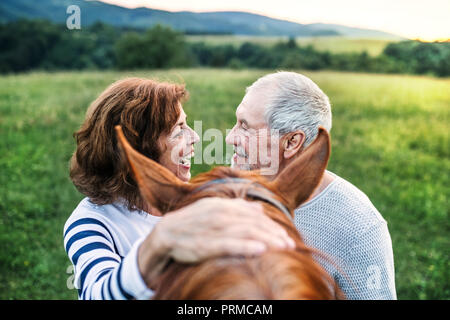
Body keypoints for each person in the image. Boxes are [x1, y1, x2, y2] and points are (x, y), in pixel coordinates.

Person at [64, 78, 295, 300]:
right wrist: (158, 244)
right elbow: (97, 292)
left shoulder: (197, 201)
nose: (195, 137)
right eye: (179, 131)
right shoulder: (91, 221)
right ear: (140, 150)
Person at [225, 71, 397, 299]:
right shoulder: (233, 189)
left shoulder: (359, 230)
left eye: (245, 127)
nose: (230, 138)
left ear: (291, 142)